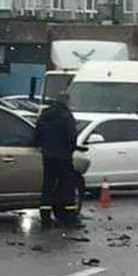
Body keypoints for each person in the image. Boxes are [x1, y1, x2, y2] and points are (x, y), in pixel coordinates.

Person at [32, 91, 79, 226]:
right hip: (63, 157)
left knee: (48, 185)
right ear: (67, 101)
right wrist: (70, 150)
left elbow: (37, 133)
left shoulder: (45, 114)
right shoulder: (66, 115)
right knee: (67, 186)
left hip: (47, 156)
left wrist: (40, 146)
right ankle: (70, 217)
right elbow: (71, 136)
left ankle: (45, 217)